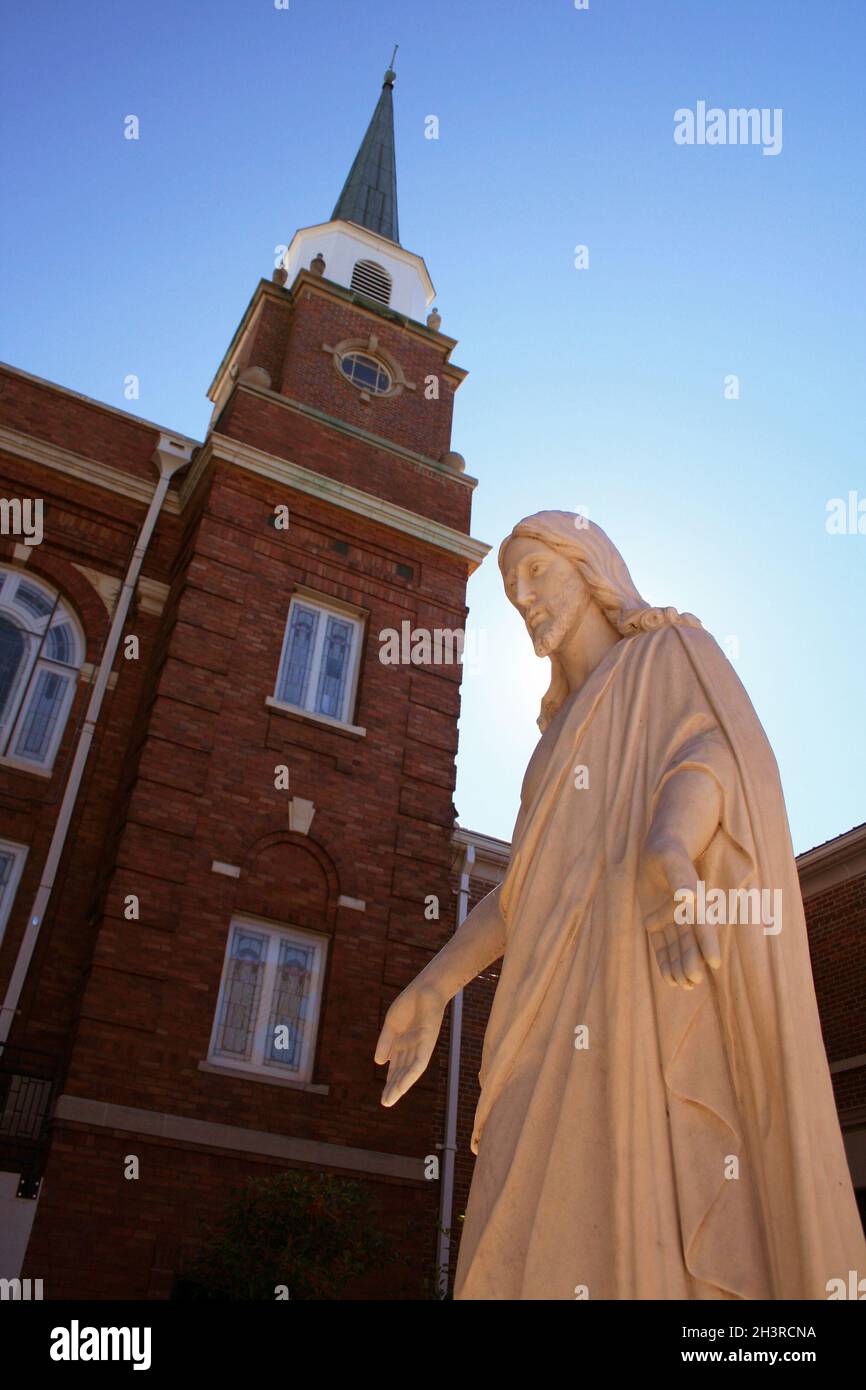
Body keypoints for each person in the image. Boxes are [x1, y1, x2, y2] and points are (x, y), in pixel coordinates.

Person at [375, 510, 866, 1299]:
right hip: (539, 1010)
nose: (523, 596)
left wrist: (667, 847)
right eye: (509, 587)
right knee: (513, 1217)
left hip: (633, 982)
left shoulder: (669, 653)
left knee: (628, 1207)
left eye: (537, 572)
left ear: (589, 565)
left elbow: (716, 754)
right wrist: (434, 985)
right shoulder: (549, 745)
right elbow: (527, 890)